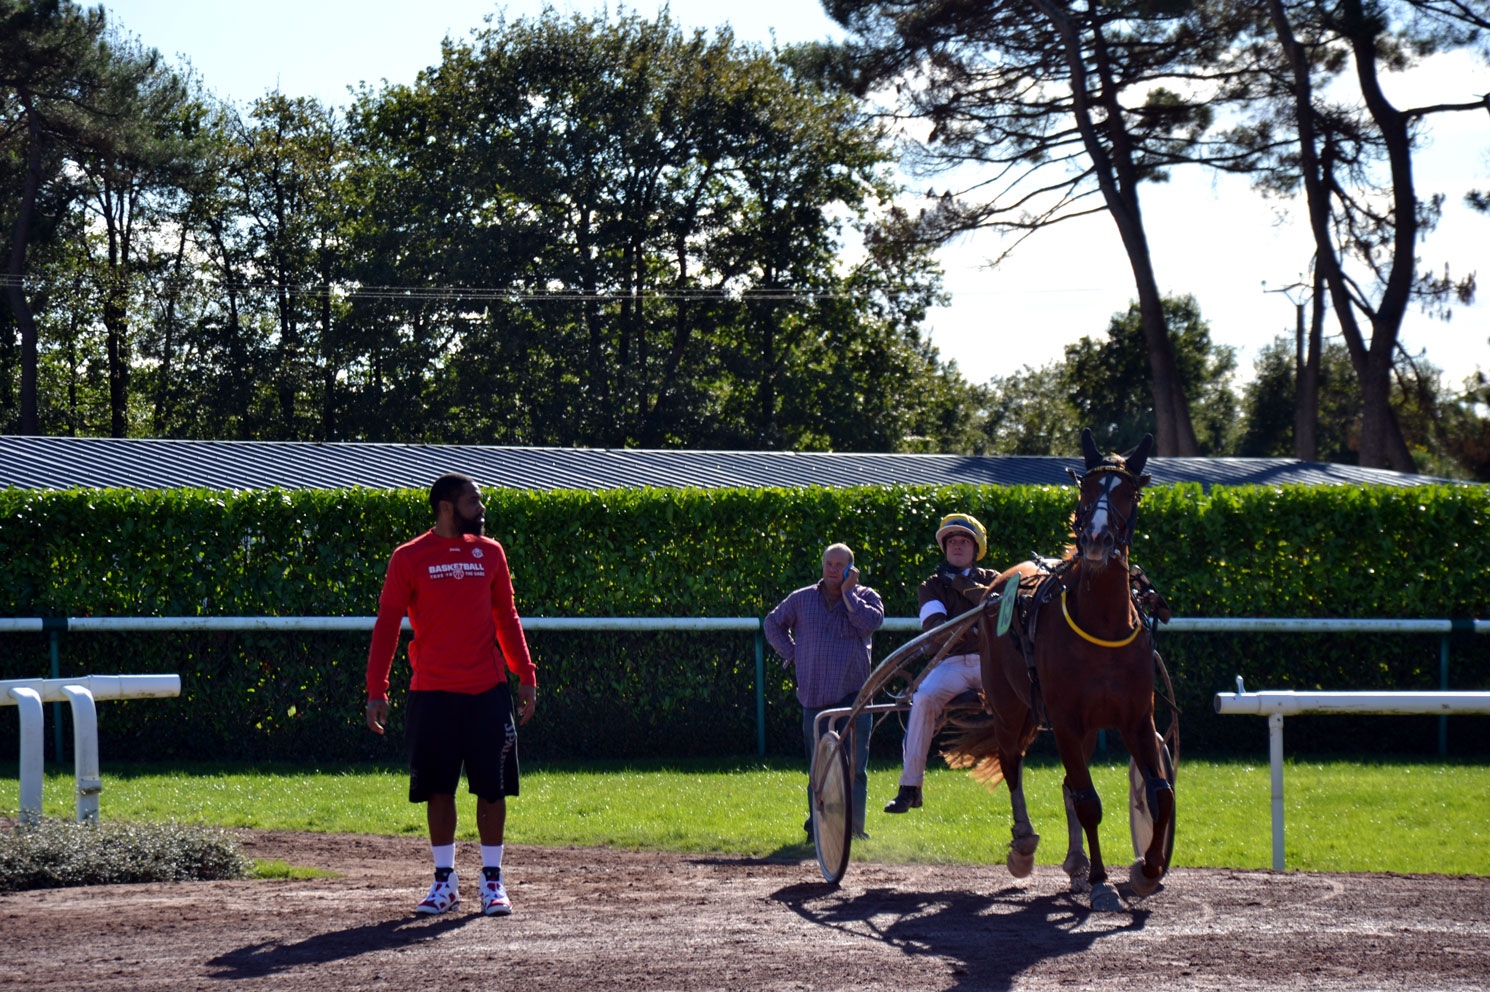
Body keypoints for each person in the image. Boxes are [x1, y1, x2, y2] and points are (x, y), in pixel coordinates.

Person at [365, 473, 538, 917]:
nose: (481, 509)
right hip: (433, 692)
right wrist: (376, 689)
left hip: (487, 690)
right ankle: (444, 883)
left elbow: (507, 617)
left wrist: (525, 675)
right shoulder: (409, 557)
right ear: (446, 507)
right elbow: (387, 625)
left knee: (492, 789)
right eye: (472, 502)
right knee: (438, 789)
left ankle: (492, 882)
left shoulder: (491, 553)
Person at [765, 542, 884, 840]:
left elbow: (870, 624)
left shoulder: (867, 598)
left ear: (851, 570)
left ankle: (854, 832)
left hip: (854, 697)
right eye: (828, 564)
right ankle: (818, 830)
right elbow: (772, 623)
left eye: (839, 565)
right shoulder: (802, 599)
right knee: (819, 770)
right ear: (823, 566)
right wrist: (792, 653)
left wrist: (848, 595)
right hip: (814, 698)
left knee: (854, 768)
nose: (832, 570)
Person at [884, 513, 998, 814]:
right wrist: (977, 626)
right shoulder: (931, 586)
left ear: (976, 548)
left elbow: (1001, 615)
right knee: (922, 698)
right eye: (952, 542)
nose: (957, 547)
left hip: (992, 663)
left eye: (963, 542)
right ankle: (910, 787)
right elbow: (936, 630)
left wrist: (962, 586)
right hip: (951, 665)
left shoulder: (994, 579)